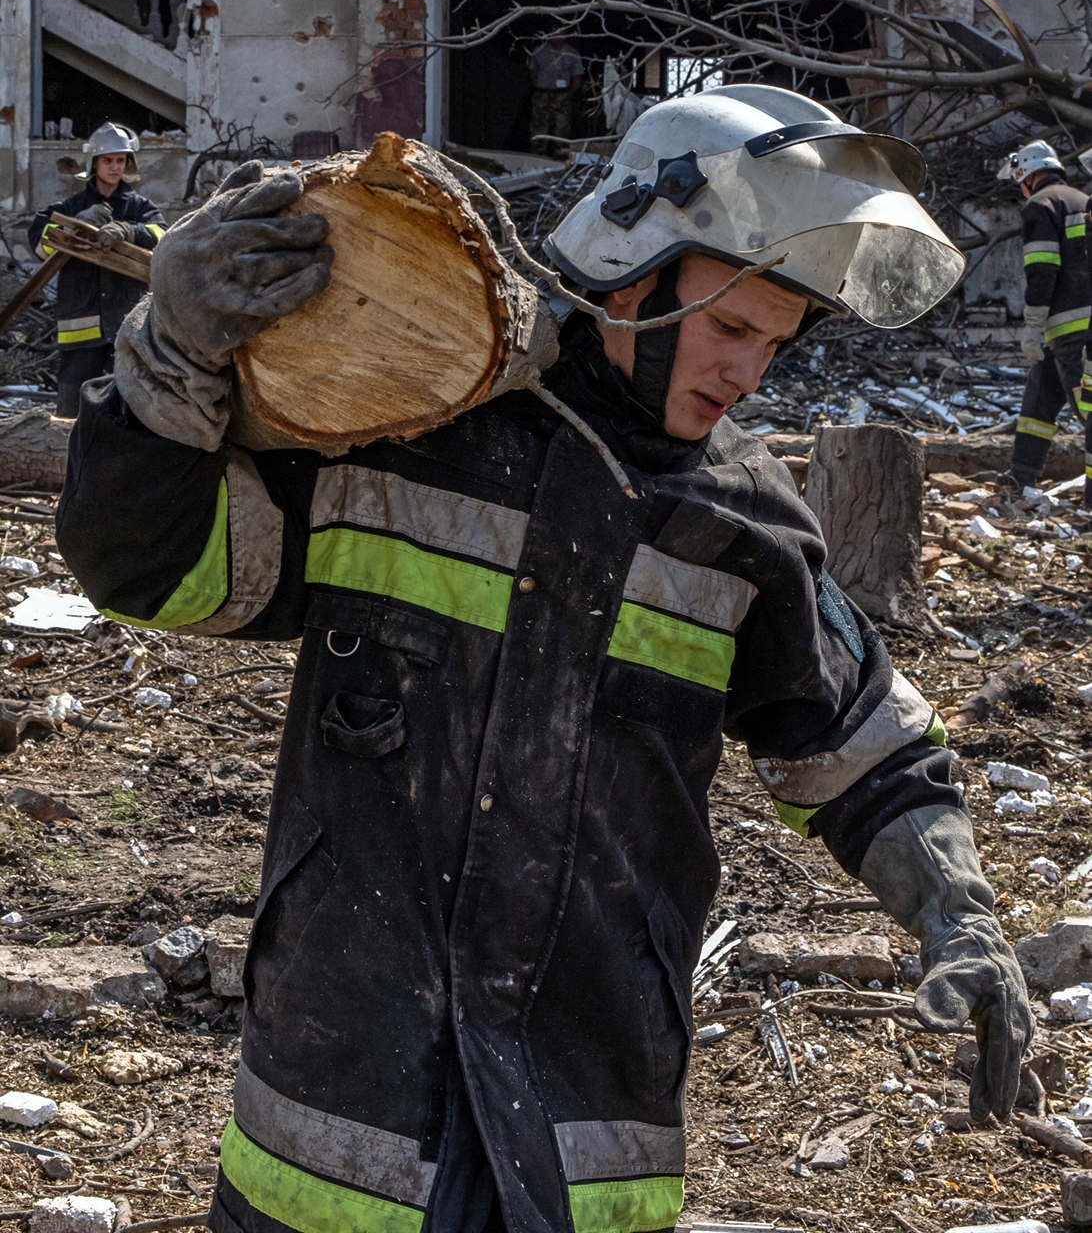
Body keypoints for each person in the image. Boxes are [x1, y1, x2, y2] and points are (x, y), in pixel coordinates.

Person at [57, 86, 1031, 1233]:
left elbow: (863, 749)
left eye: (774, 340)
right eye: (730, 325)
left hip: (588, 1123)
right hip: (344, 1104)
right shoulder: (410, 427)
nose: (748, 373)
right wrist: (167, 364)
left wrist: (957, 913)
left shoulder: (745, 526)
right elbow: (153, 571)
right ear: (631, 275)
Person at [29, 122, 165, 420]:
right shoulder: (70, 206)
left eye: (120, 160)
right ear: (93, 163)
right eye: (108, 160)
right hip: (80, 336)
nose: (115, 167)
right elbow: (40, 246)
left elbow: (165, 237)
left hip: (127, 332)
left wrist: (131, 230)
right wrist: (74, 223)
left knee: (130, 419)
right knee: (71, 416)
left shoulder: (141, 208)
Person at [999, 139, 1090, 491]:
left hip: (1071, 329)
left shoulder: (1040, 205)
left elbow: (1043, 268)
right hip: (1072, 330)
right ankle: (1021, 477)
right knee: (1039, 399)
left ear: (1026, 177)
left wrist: (1033, 324)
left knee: (1089, 410)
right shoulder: (1083, 201)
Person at [529, 29, 583, 146]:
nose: (557, 37)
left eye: (561, 33)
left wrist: (566, 94)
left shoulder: (572, 53)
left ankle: (560, 158)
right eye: (554, 33)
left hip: (563, 95)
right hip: (542, 94)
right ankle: (537, 157)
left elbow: (577, 79)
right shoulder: (539, 51)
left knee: (561, 129)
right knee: (539, 128)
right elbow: (532, 74)